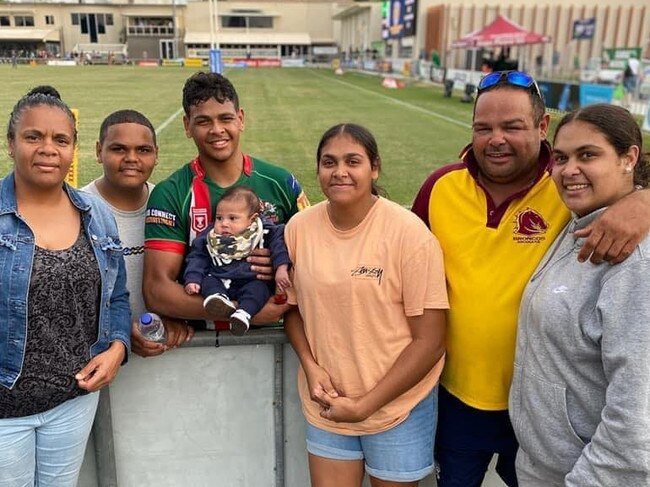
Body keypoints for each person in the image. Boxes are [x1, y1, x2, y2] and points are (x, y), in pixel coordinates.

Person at [411, 70, 650, 487]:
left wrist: (643, 201)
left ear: (542, 128)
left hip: (543, 415)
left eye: (512, 126)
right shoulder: (440, 187)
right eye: (483, 128)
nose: (495, 139)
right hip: (456, 398)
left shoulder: (567, 192)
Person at [284, 123, 447, 486]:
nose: (339, 171)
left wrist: (366, 405)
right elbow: (292, 309)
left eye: (352, 161)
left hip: (398, 409)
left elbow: (431, 342)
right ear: (318, 170)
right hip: (328, 404)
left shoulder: (410, 234)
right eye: (329, 162)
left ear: (374, 168)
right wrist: (310, 366)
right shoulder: (298, 228)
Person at [510, 103, 650, 485]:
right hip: (542, 464)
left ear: (628, 157)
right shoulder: (584, 222)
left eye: (588, 155)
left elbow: (636, 420)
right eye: (560, 157)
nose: (569, 169)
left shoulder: (635, 261)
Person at [0, 89, 131, 485]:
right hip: (5, 411)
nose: (47, 149)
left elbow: (118, 297)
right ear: (11, 145)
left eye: (60, 140)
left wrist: (118, 349)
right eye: (33, 137)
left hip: (73, 402)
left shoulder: (97, 216)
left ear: (73, 149)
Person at [143, 72, 308, 328]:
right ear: (187, 125)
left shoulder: (282, 183)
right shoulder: (170, 193)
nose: (217, 130)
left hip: (279, 341)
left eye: (226, 118)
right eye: (203, 121)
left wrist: (281, 266)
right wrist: (243, 312)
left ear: (240, 119)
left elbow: (319, 257)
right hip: (204, 345)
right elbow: (157, 290)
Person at [83, 109, 194, 357]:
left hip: (163, 356)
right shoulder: (77, 208)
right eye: (118, 149)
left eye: (143, 150)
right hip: (98, 359)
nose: (131, 158)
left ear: (156, 155)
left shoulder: (171, 205)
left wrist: (176, 318)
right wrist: (119, 333)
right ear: (99, 151)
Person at [183, 185, 290, 335]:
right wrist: (192, 278)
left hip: (250, 280)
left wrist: (281, 268)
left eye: (232, 218)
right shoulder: (210, 235)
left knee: (259, 290)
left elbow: (279, 247)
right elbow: (197, 256)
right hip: (220, 279)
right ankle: (217, 299)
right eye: (219, 218)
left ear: (252, 219)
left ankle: (243, 314)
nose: (224, 223)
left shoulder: (264, 231)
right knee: (207, 280)